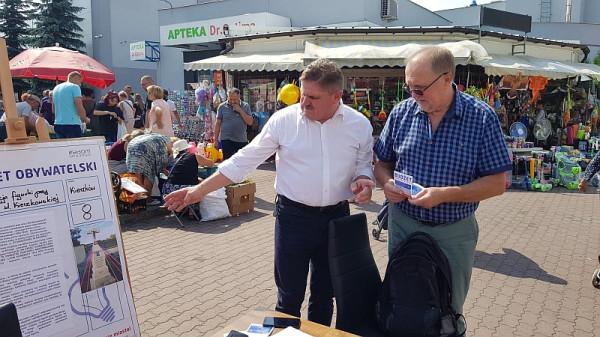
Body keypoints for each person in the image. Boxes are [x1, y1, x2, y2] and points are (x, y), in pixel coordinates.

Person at [164, 58, 375, 326]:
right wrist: (199, 191)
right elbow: (243, 160)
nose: (304, 103)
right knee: (288, 297)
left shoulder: (358, 125)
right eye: (302, 94)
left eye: (312, 97)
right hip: (293, 219)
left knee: (325, 295)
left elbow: (363, 166)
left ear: (337, 96)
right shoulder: (284, 121)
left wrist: (364, 182)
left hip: (336, 218)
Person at [373, 46, 511, 332]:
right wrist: (386, 183)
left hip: (453, 231)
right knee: (403, 297)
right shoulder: (402, 113)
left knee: (448, 309)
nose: (414, 96)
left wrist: (445, 194)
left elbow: (499, 182)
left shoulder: (481, 118)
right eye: (409, 87)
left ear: (448, 78)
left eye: (420, 89)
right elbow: (381, 161)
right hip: (403, 223)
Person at [214, 87, 253, 159]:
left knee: (241, 163)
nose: (232, 102)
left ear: (239, 96)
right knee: (228, 163)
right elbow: (218, 123)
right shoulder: (222, 107)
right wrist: (215, 140)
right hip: (226, 139)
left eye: (234, 99)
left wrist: (240, 110)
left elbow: (250, 122)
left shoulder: (245, 106)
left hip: (241, 139)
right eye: (230, 99)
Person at [52, 71, 90, 138]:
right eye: (80, 81)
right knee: (74, 148)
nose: (80, 84)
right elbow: (79, 105)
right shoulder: (75, 87)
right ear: (76, 78)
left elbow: (53, 109)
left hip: (58, 123)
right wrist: (84, 118)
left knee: (63, 147)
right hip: (72, 124)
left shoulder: (56, 88)